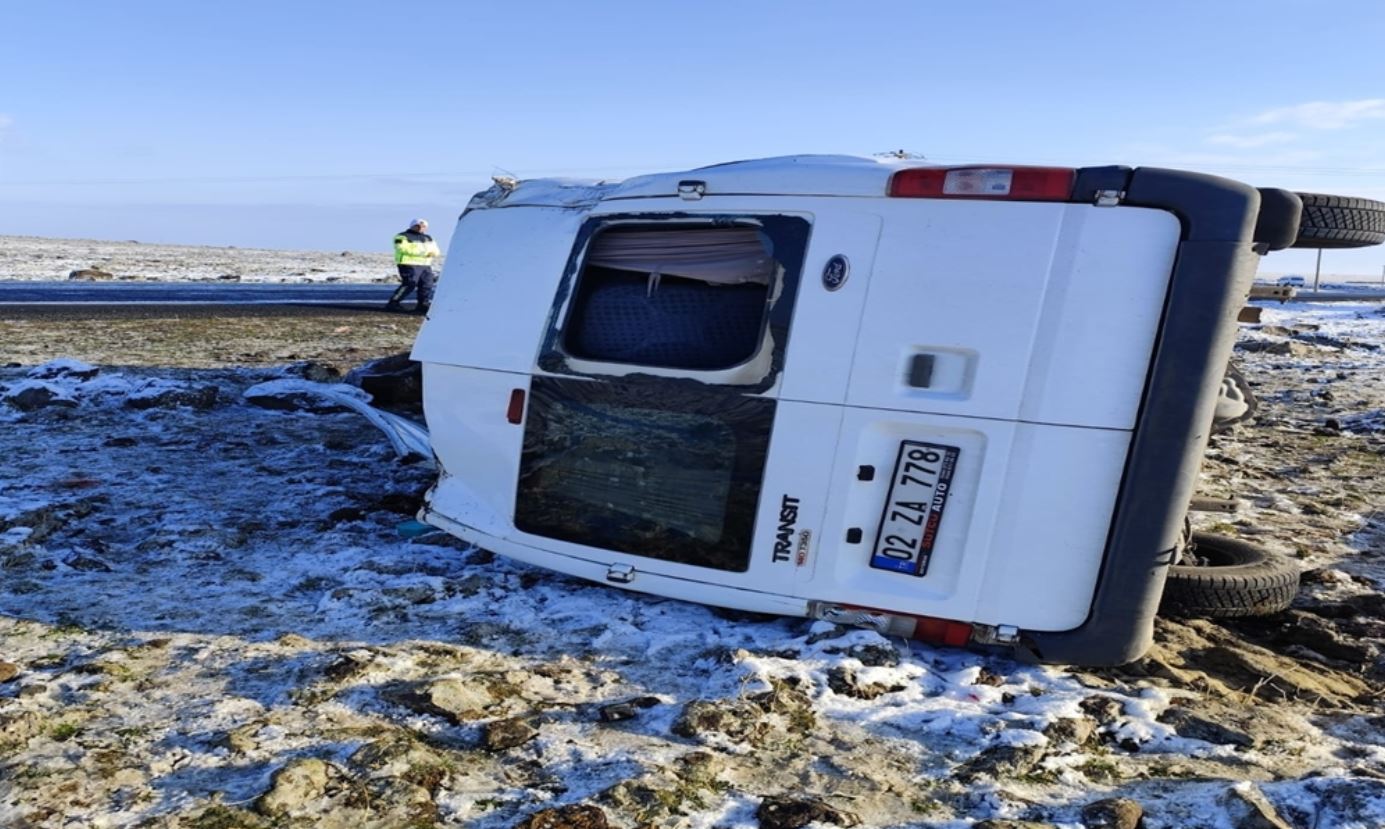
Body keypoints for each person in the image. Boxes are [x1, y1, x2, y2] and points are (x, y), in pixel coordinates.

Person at [387, 218, 442, 314]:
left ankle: (423, 304)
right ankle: (393, 302)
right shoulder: (402, 236)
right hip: (409, 264)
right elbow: (402, 249)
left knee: (427, 285)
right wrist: (424, 252)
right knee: (409, 284)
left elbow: (436, 251)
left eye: (424, 226)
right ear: (412, 226)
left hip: (425, 265)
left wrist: (430, 253)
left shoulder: (428, 238)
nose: (421, 228)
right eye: (418, 226)